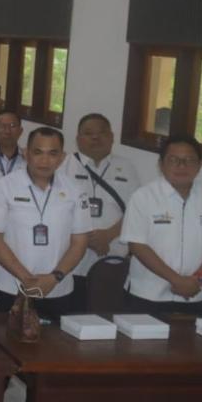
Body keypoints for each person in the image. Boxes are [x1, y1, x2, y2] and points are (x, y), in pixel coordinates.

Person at [120, 134, 202, 316]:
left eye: (189, 160)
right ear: (161, 164)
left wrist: (197, 279)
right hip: (147, 295)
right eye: (173, 160)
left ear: (200, 164)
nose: (182, 166)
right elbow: (137, 245)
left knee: (192, 336)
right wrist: (176, 280)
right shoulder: (143, 197)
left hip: (195, 294)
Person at [0, 127, 92, 320]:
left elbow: (80, 242)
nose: (44, 160)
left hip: (57, 289)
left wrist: (55, 277)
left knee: (55, 340)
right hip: (11, 287)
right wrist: (27, 279)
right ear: (26, 153)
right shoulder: (3, 188)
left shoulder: (75, 191)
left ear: (62, 158)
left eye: (52, 154)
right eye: (38, 152)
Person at [61, 113, 144, 308]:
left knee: (104, 317)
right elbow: (56, 208)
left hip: (112, 259)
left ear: (112, 137)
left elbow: (136, 211)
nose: (95, 138)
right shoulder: (64, 165)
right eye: (88, 133)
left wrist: (108, 235)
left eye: (102, 133)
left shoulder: (126, 167)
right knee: (68, 316)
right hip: (71, 262)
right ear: (78, 138)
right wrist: (85, 237)